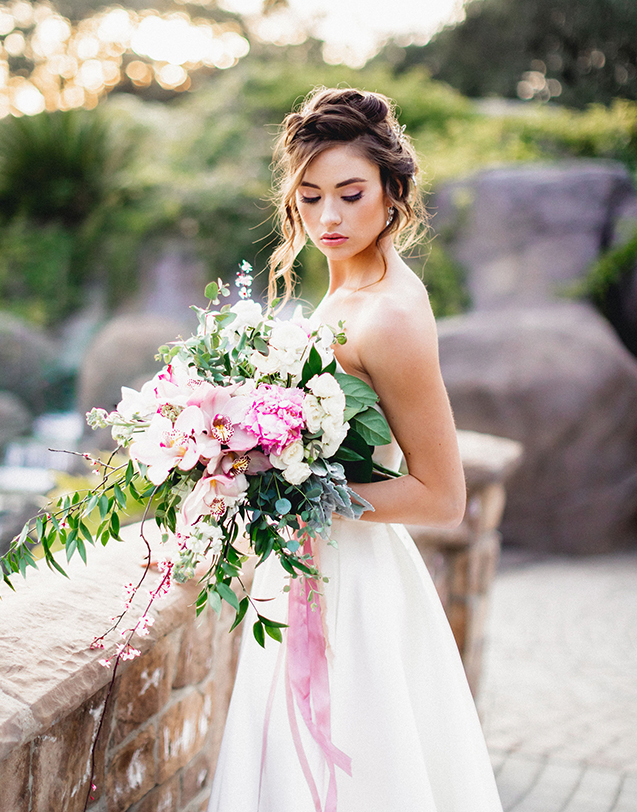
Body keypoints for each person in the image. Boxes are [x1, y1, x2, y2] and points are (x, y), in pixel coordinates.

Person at [208, 87, 503, 812]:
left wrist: (288, 490)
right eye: (310, 198)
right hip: (308, 568)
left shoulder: (392, 315)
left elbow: (441, 495)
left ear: (393, 194)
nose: (329, 218)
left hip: (353, 583)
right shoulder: (349, 292)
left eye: (350, 194)